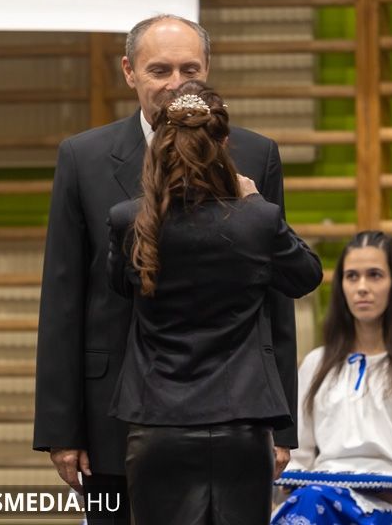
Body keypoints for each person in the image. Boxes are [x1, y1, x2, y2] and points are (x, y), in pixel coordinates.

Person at [32, 14, 299, 523]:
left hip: (235, 416)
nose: (176, 83)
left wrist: (283, 424)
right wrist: (61, 429)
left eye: (189, 69)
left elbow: (276, 297)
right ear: (129, 71)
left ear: (208, 69)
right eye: (159, 70)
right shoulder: (83, 157)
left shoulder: (254, 153)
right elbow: (63, 298)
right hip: (110, 411)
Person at [106, 81, 323, 524]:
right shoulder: (257, 219)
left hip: (157, 421)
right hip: (240, 423)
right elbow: (306, 275)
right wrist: (255, 201)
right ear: (224, 143)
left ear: (159, 143)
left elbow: (120, 287)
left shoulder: (130, 220)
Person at [271, 231, 392, 525]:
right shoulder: (316, 364)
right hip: (322, 499)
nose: (362, 287)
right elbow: (298, 455)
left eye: (375, 275)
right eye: (352, 276)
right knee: (307, 502)